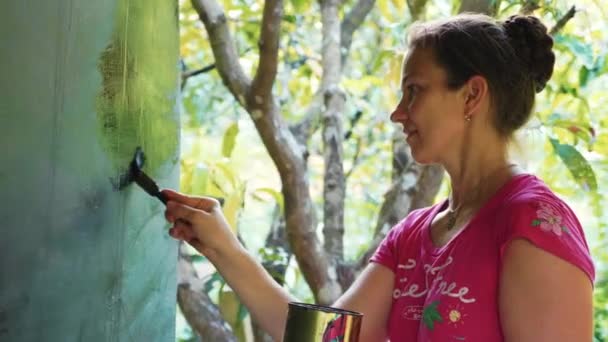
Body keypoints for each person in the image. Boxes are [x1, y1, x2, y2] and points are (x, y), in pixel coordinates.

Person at [162, 13, 595, 341]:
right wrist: (221, 245)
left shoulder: (533, 225)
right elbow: (330, 339)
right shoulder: (412, 236)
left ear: (472, 94)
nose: (398, 113)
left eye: (414, 91)